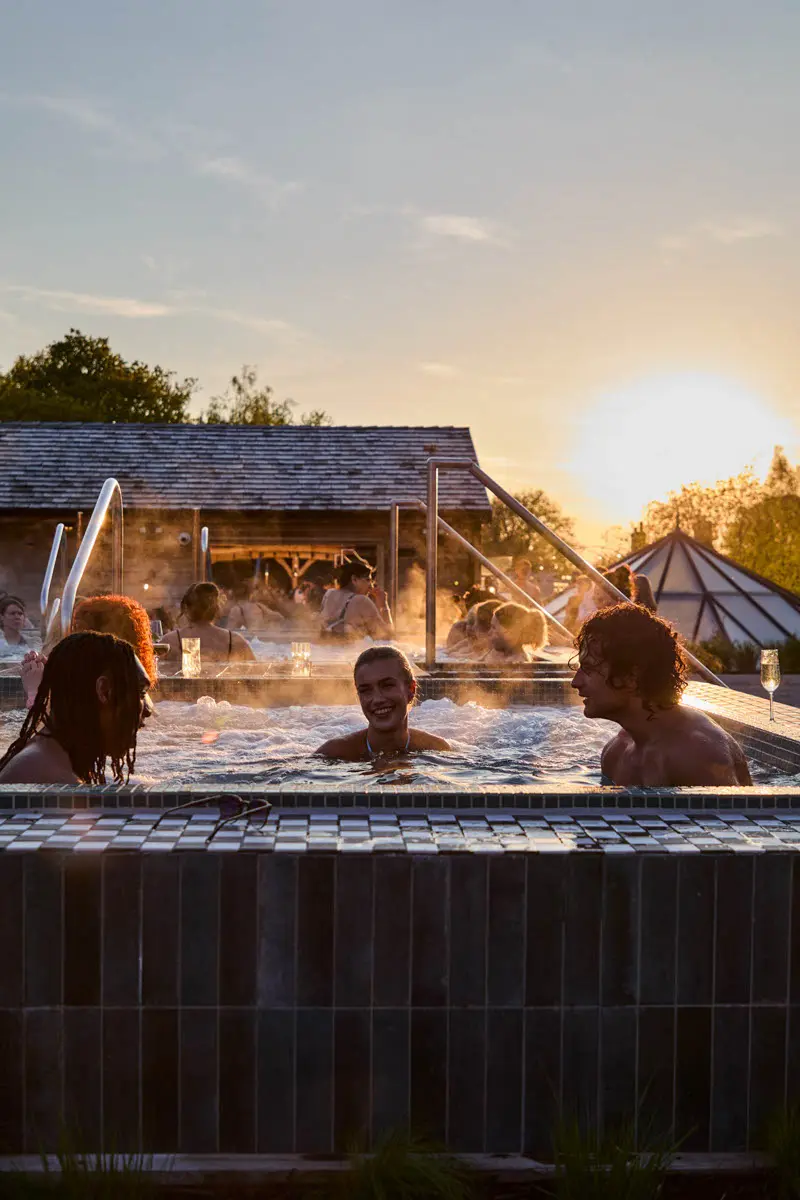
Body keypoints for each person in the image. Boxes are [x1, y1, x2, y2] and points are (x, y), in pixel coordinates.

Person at [571, 604, 752, 787]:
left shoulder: (698, 756)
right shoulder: (616, 754)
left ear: (632, 677)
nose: (575, 682)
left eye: (588, 669)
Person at [0, 631, 153, 785]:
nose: (148, 710)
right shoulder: (53, 780)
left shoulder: (46, 758)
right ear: (104, 691)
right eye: (141, 693)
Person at [20, 593, 158, 708]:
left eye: (78, 629)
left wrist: (36, 692)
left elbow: (55, 736)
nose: (75, 641)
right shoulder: (134, 692)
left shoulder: (107, 698)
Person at [316, 646, 451, 760]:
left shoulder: (437, 751)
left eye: (387, 686)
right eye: (366, 690)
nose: (378, 699)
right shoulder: (334, 754)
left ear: (411, 690)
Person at [162, 582, 256, 663]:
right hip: (225, 684)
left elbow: (153, 677)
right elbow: (257, 675)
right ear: (217, 608)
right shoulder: (235, 640)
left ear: (186, 608)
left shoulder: (170, 641)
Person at [319, 562, 393, 640]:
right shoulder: (361, 600)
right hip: (349, 651)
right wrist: (384, 605)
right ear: (354, 579)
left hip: (326, 648)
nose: (371, 585)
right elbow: (388, 637)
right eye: (368, 580)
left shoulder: (330, 594)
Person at [483, 602, 548, 664]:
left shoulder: (515, 663)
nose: (489, 632)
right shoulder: (503, 657)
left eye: (494, 628)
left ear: (511, 632)